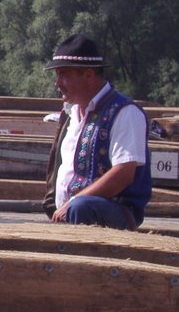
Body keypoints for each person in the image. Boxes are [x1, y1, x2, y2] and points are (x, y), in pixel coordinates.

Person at [41, 34, 151, 230]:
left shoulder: (125, 112)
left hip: (115, 214)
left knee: (81, 207)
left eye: (64, 75)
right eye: (57, 75)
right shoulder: (71, 114)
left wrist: (74, 201)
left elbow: (123, 173)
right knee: (78, 207)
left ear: (89, 75)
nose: (57, 83)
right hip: (70, 215)